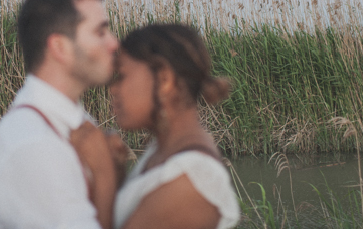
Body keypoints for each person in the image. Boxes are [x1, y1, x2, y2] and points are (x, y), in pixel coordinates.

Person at [0, 0, 124, 229]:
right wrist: (105, 174)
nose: (114, 43)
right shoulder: (34, 146)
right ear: (60, 47)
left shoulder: (71, 120)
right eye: (100, 32)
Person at [74, 24, 241, 229]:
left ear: (164, 79)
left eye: (122, 75)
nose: (113, 89)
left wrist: (102, 173)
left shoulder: (191, 179)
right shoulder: (166, 150)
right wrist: (118, 174)